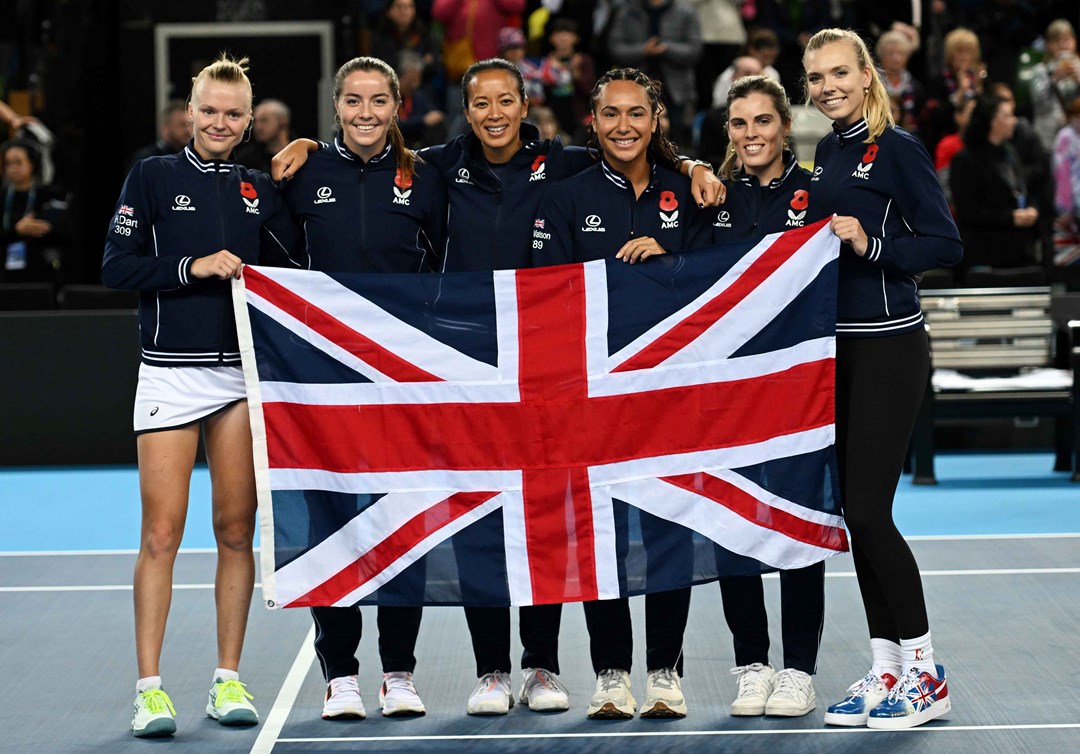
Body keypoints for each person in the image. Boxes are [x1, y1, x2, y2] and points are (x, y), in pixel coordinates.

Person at [271, 57, 722, 717]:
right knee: (482, 513)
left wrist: (692, 167)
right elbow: (369, 153)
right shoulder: (435, 167)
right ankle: (490, 671)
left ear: (523, 103)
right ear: (466, 109)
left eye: (505, 100)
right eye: (481, 102)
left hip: (548, 366)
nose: (493, 114)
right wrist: (309, 144)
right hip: (465, 365)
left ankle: (541, 664)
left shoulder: (563, 164)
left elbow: (635, 151)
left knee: (541, 509)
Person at [101, 53, 296, 738]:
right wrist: (195, 266)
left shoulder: (255, 188)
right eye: (207, 110)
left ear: (248, 122)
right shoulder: (152, 177)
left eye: (232, 114)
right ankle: (149, 689)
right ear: (190, 111)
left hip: (240, 381)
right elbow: (115, 265)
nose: (218, 122)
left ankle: (228, 679)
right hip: (169, 374)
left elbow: (298, 265)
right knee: (161, 534)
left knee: (236, 533)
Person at [531, 67, 703, 721]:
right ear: (593, 123)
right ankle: (610, 673)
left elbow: (719, 281)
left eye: (637, 113)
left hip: (668, 394)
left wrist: (671, 261)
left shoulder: (690, 192)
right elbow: (547, 297)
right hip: (591, 394)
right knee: (598, 533)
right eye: (611, 114)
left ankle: (665, 671)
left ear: (656, 119)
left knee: (667, 530)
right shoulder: (564, 199)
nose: (624, 126)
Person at [801, 28, 962, 730]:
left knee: (868, 512)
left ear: (867, 75)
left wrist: (872, 244)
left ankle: (927, 674)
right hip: (838, 352)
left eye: (840, 71)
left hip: (891, 350)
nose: (828, 84)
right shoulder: (829, 150)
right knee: (856, 519)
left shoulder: (897, 149)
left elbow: (946, 244)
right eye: (816, 76)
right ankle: (887, 668)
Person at [280, 56, 447, 721]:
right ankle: (341, 675)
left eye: (379, 101)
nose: (366, 113)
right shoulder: (302, 172)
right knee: (334, 528)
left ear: (398, 106)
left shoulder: (427, 177)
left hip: (403, 383)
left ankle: (399, 672)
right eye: (353, 101)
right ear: (336, 106)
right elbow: (266, 243)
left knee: (402, 524)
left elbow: (448, 260)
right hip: (324, 389)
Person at [692, 75, 823, 719]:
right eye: (739, 124)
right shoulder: (709, 201)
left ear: (785, 126)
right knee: (732, 530)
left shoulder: (820, 193)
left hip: (798, 395)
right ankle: (752, 666)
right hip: (726, 399)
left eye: (763, 122)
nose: (751, 135)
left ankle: (798, 669)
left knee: (800, 529)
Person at [949, 93, 1042, 280]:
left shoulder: (1010, 152)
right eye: (1008, 115)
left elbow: (1023, 188)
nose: (1014, 121)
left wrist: (1032, 209)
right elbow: (968, 210)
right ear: (993, 121)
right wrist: (1010, 217)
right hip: (984, 253)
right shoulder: (966, 160)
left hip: (1017, 250)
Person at [606, 0, 703, 146]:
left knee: (676, 141)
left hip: (676, 89)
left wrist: (666, 48)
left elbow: (694, 50)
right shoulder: (627, 11)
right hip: (635, 85)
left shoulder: (686, 12)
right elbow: (615, 48)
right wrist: (643, 50)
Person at [0, 138, 69, 286]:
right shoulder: (3, 196)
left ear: (33, 163)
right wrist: (16, 230)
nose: (12, 168)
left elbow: (66, 231)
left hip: (41, 271)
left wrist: (45, 228)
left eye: (18, 162)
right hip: (6, 272)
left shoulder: (50, 195)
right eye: (8, 163)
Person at [1032, 20, 1080, 152]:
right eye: (1057, 41)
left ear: (1074, 42)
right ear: (1048, 45)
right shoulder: (1040, 70)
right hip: (1050, 139)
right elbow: (1038, 103)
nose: (1063, 45)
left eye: (1067, 39)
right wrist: (1054, 79)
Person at [128, 99, 191, 169]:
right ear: (165, 129)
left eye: (190, 124)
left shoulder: (196, 158)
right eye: (182, 125)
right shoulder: (146, 160)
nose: (188, 130)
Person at [234, 98, 292, 174]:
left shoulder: (303, 149)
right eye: (255, 121)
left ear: (283, 120)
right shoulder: (246, 159)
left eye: (264, 120)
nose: (257, 127)